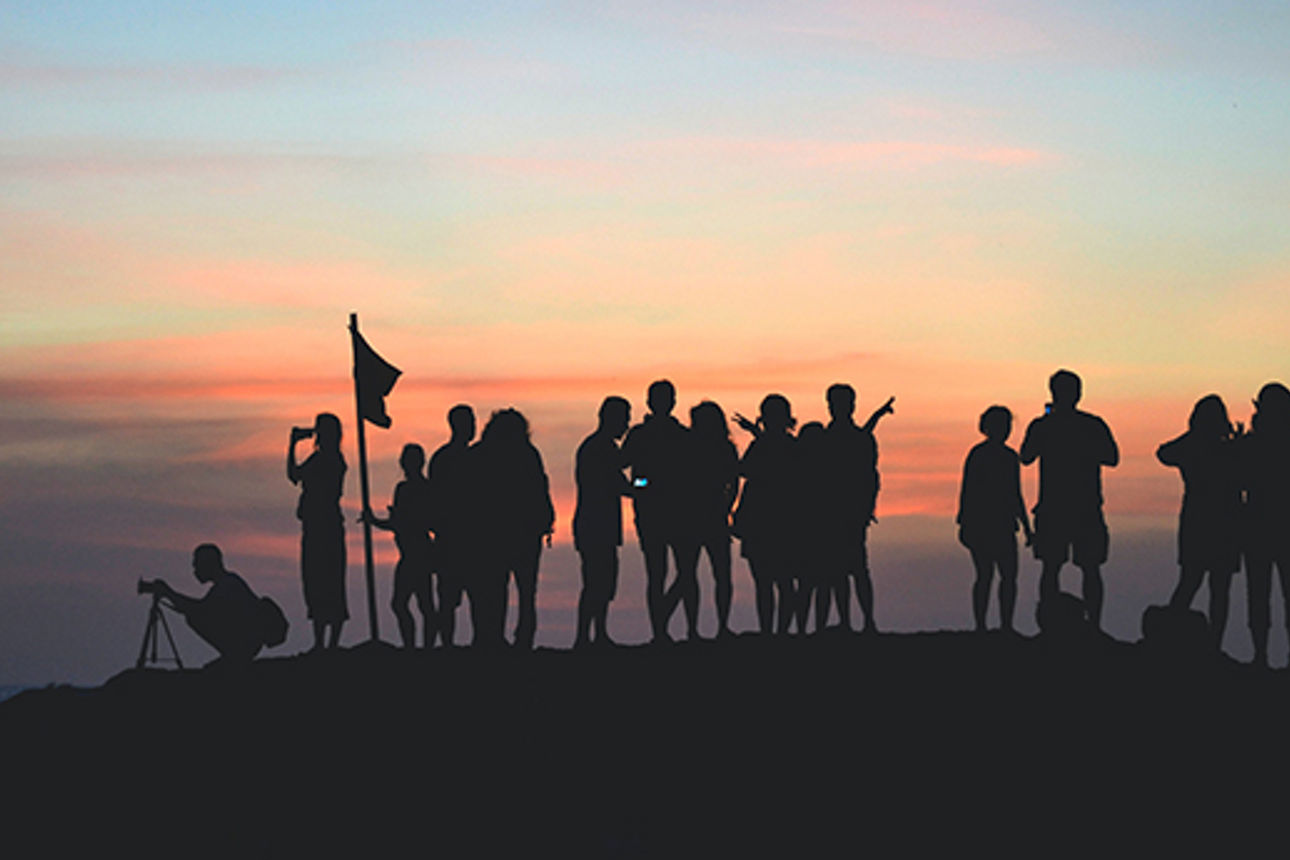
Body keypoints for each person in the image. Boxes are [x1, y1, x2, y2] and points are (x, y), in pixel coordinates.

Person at [1019, 370, 1119, 631]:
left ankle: (1049, 625)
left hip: (1054, 509)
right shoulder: (1092, 424)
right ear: (1078, 394)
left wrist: (1047, 423)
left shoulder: (1043, 426)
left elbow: (1025, 456)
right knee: (1090, 568)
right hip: (1085, 508)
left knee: (1051, 567)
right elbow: (1112, 457)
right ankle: (1094, 626)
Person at [1156, 395, 1242, 651]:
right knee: (1219, 588)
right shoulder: (1229, 449)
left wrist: (1193, 434)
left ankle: (1171, 637)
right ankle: (1214, 645)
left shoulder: (1192, 447)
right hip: (1225, 521)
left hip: (1197, 520)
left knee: (1191, 581)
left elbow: (1165, 452)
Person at [469, 408, 554, 650]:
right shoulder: (527, 454)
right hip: (521, 533)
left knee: (497, 589)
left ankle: (496, 637)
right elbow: (541, 489)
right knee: (526, 593)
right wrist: (545, 520)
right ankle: (521, 639)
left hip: (497, 534)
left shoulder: (481, 454)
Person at [622, 380, 700, 643]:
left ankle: (682, 628)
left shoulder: (682, 436)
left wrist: (643, 485)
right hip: (655, 512)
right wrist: (643, 485)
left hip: (675, 512)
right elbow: (624, 467)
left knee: (681, 572)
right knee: (662, 573)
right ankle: (664, 631)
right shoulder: (643, 435)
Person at [820, 384, 892, 634]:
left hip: (847, 513)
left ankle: (864, 622)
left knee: (854, 569)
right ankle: (852, 622)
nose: (834, 407)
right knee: (844, 570)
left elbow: (871, 477)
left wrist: (866, 508)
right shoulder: (843, 437)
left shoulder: (841, 438)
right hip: (838, 513)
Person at [957, 406, 1032, 634]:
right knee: (989, 576)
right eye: (1002, 425)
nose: (1005, 430)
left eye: (1007, 425)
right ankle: (985, 625)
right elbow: (969, 492)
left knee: (1003, 577)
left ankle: (1003, 625)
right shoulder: (982, 455)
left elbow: (1015, 494)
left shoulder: (1006, 457)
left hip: (999, 525)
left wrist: (1027, 529)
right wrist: (965, 523)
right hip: (986, 525)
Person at [734, 394, 801, 635]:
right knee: (781, 582)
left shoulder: (766, 445)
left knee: (768, 582)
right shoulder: (792, 447)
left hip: (764, 522)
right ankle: (778, 632)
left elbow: (744, 470)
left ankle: (770, 632)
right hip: (780, 522)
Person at [139, 543, 266, 664]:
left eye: (197, 565)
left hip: (246, 644)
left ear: (209, 564)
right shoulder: (227, 582)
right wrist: (170, 595)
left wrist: (169, 594)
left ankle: (234, 656)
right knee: (194, 616)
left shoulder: (227, 586)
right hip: (248, 641)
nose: (195, 571)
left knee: (194, 618)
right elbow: (201, 607)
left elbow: (200, 610)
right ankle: (232, 656)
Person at [572, 396, 631, 648]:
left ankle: (596, 635)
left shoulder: (596, 446)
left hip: (594, 524)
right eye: (624, 419)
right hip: (597, 525)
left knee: (600, 582)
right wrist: (648, 484)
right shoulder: (601, 448)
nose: (626, 424)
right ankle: (588, 637)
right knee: (597, 582)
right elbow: (621, 484)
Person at [364, 443, 435, 650]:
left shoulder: (416, 489)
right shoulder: (408, 488)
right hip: (411, 551)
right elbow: (398, 523)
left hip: (417, 551)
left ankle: (419, 647)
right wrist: (377, 520)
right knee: (409, 604)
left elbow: (402, 522)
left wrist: (377, 520)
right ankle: (414, 646)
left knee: (417, 604)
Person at [287, 412, 348, 651]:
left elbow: (295, 476)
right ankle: (322, 643)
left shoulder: (331, 460)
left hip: (326, 528)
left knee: (329, 582)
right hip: (315, 527)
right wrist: (292, 445)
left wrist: (292, 444)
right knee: (315, 582)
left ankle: (329, 643)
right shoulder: (320, 459)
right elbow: (294, 475)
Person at [1241, 382, 1290, 668]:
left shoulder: (1251, 444)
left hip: (1258, 526)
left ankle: (1260, 656)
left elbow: (1240, 482)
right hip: (1278, 526)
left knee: (1258, 594)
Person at [683, 400, 740, 639]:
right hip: (704, 515)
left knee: (697, 575)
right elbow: (734, 482)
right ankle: (709, 627)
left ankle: (702, 628)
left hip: (701, 515)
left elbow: (734, 481)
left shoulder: (690, 446)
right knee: (712, 575)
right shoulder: (722, 448)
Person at [427, 404, 476, 647]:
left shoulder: (443, 458)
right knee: (449, 599)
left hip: (463, 537)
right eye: (470, 422)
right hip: (454, 537)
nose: (473, 427)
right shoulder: (451, 459)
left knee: (468, 596)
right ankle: (447, 644)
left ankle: (453, 644)